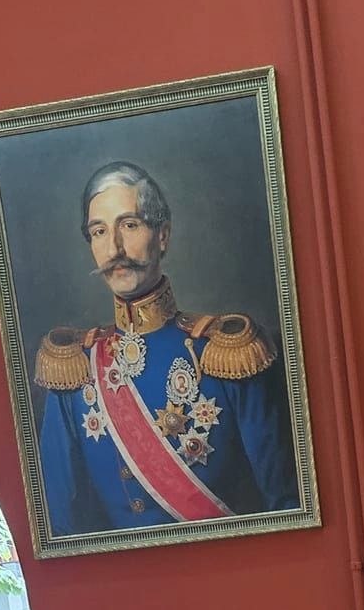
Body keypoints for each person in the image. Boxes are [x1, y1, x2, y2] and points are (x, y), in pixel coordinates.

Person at [37, 160, 300, 533]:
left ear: (162, 234)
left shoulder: (227, 352)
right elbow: (59, 527)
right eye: (99, 231)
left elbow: (286, 508)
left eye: (129, 225)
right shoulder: (75, 364)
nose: (114, 248)